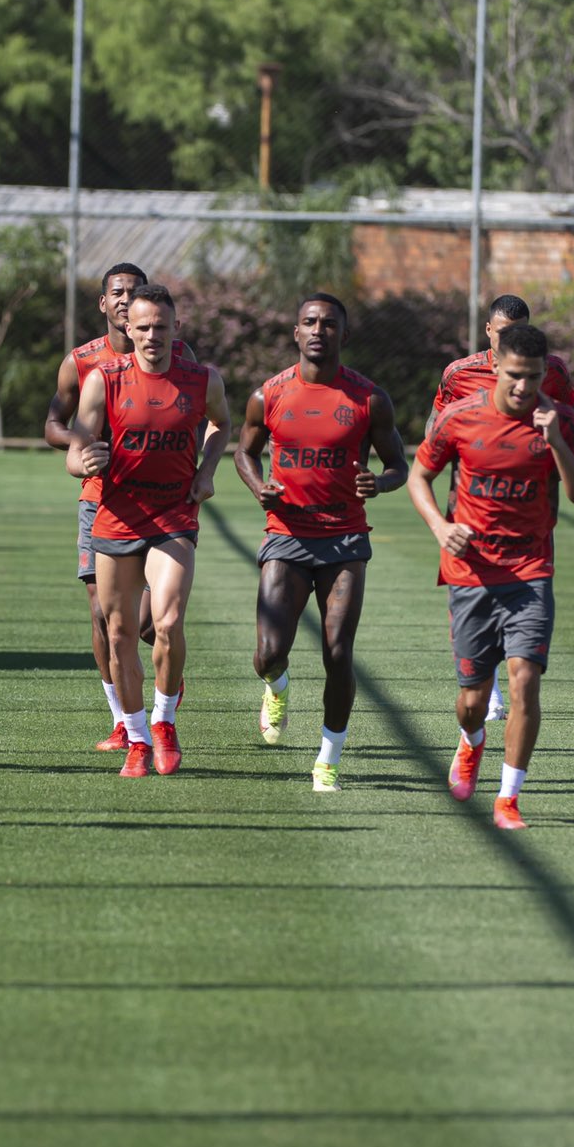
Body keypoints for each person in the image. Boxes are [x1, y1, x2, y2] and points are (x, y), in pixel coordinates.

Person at [408, 322, 574, 829]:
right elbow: (419, 475)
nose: (523, 387)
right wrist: (440, 526)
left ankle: (508, 799)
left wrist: (556, 443)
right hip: (472, 574)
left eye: (533, 377)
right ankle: (472, 741)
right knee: (472, 700)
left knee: (525, 682)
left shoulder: (559, 420)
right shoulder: (460, 417)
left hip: (531, 572)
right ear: (496, 367)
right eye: (514, 375)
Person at [231, 294, 408, 791]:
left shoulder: (369, 399)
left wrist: (381, 482)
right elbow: (243, 453)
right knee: (268, 653)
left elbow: (399, 465)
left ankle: (327, 760)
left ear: (343, 335)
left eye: (328, 324)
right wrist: (258, 486)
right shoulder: (268, 395)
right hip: (286, 535)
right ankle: (277, 686)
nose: (318, 330)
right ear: (295, 332)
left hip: (345, 539)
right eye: (309, 322)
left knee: (338, 651)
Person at [67, 282, 232, 778]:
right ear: (127, 327)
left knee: (167, 621)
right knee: (118, 633)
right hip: (117, 517)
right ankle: (136, 738)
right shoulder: (104, 379)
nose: (152, 335)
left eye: (161, 326)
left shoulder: (202, 379)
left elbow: (221, 425)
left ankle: (164, 721)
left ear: (176, 327)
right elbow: (77, 448)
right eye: (142, 327)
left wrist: (206, 472)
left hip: (174, 516)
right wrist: (83, 462)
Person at [43, 263, 196, 753]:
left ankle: (167, 681)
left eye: (134, 291)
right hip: (101, 499)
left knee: (152, 623)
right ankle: (123, 722)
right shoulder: (82, 362)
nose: (126, 299)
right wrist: (83, 446)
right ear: (104, 304)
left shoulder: (177, 356)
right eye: (118, 292)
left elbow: (198, 415)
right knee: (102, 616)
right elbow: (54, 423)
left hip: (163, 503)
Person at [429, 293, 574, 724]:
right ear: (488, 332)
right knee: (475, 595)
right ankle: (485, 683)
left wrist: (562, 452)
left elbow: (573, 419)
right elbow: (434, 427)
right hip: (471, 501)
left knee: (524, 607)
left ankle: (508, 683)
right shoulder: (459, 374)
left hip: (530, 505)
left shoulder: (552, 372)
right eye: (503, 333)